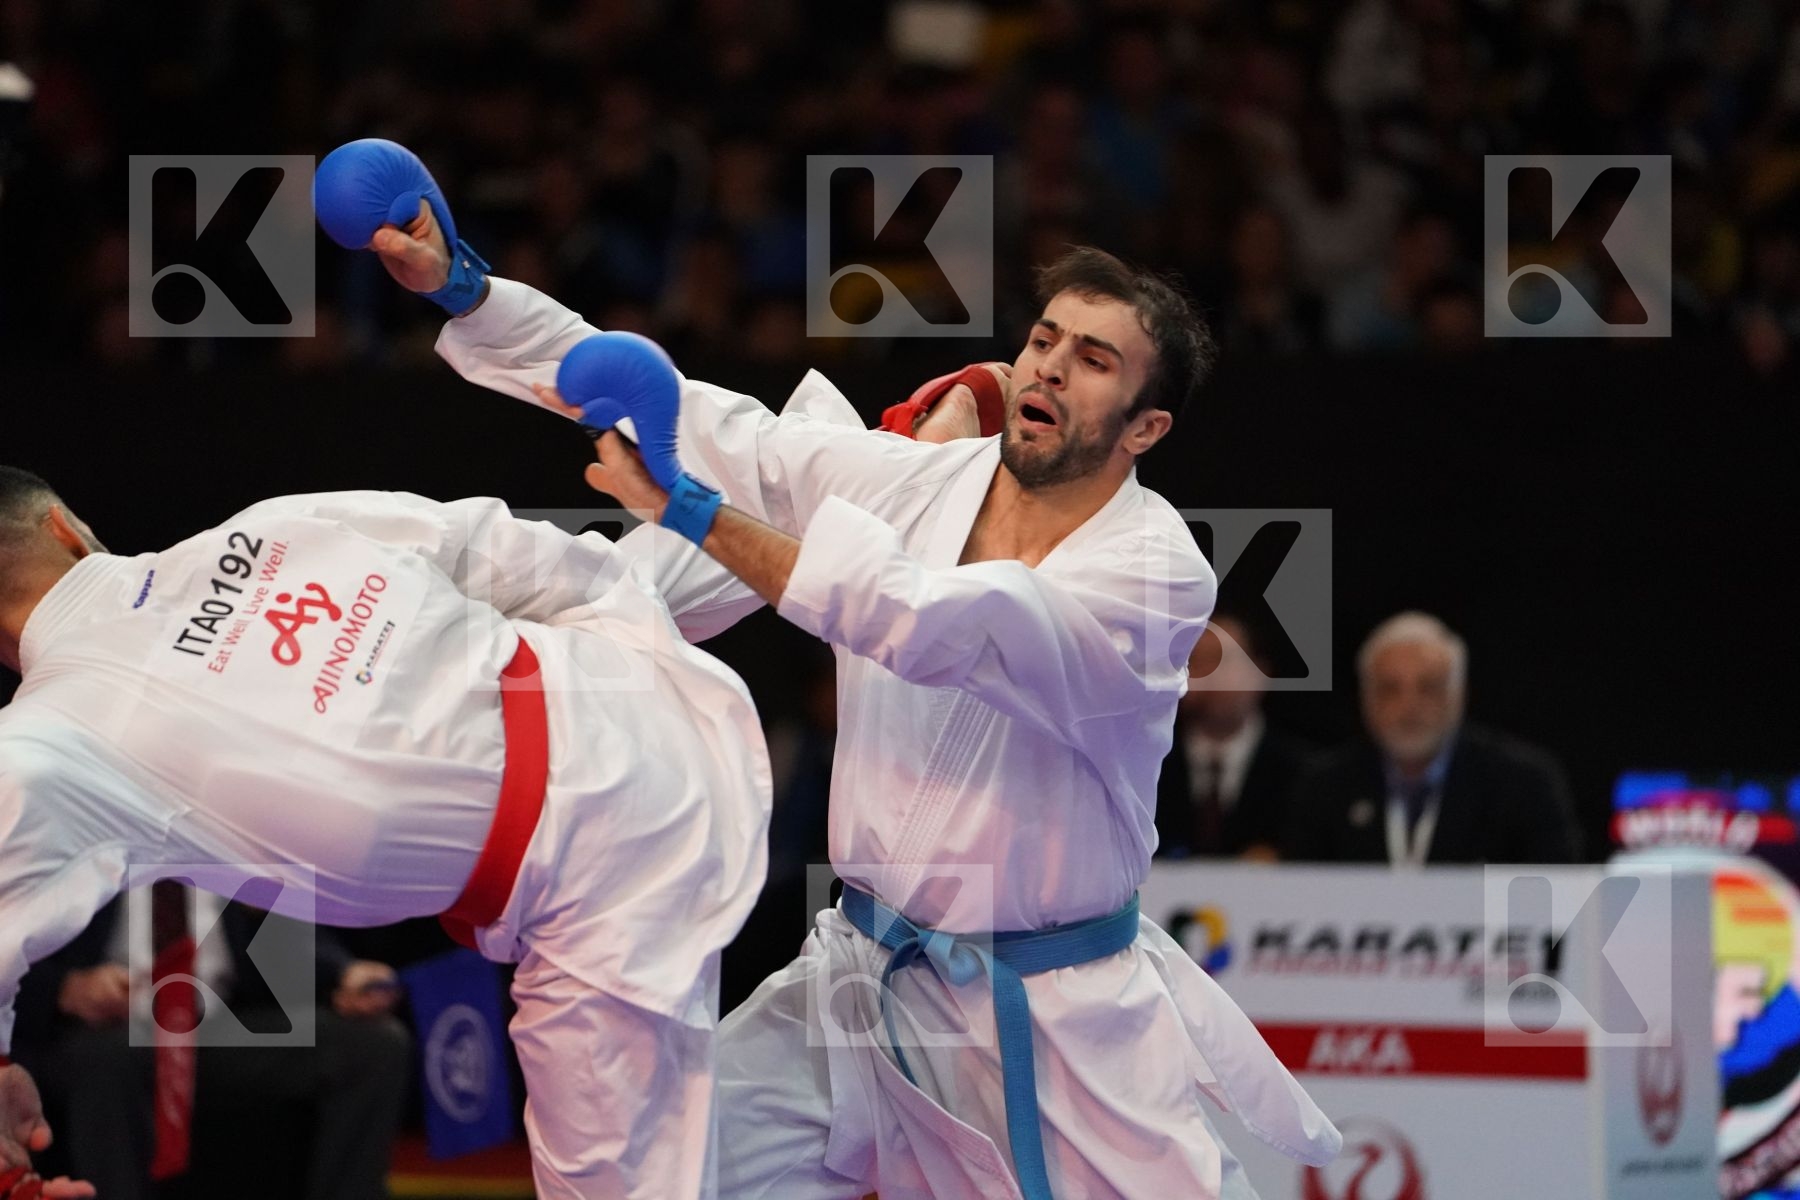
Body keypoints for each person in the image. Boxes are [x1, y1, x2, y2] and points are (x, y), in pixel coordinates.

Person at [394, 212, 1339, 1192]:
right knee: (671, 1175)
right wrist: (471, 292)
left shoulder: (1151, 574)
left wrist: (694, 514)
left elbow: (921, 621)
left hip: (1049, 1019)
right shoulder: (923, 480)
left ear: (1146, 427)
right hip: (859, 977)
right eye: (1044, 340)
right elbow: (720, 428)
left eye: (1094, 359)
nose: (1050, 367)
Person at [0, 464, 772, 1200]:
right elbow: (513, 551)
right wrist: (630, 628)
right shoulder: (277, 524)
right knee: (648, 571)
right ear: (68, 529)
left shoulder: (43, 742)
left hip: (592, 894)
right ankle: (845, 475)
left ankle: (834, 485)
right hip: (642, 707)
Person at [10, 897, 408, 1200]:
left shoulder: (229, 814)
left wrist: (343, 973)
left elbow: (286, 920)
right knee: (110, 1059)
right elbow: (12, 932)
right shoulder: (72, 815)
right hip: (106, 1028)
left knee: (373, 1045)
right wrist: (64, 989)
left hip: (218, 1023)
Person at [1281, 611, 1581, 865]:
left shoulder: (1522, 784)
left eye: (1428, 687)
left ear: (1459, 695)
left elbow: (1556, 899)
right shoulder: (1326, 787)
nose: (1409, 707)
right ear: (1365, 699)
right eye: (1390, 689)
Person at [1154, 611, 1311, 861]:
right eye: (1194, 662)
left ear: (1260, 672)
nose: (1209, 675)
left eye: (1222, 661)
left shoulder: (1305, 774)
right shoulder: (1148, 765)